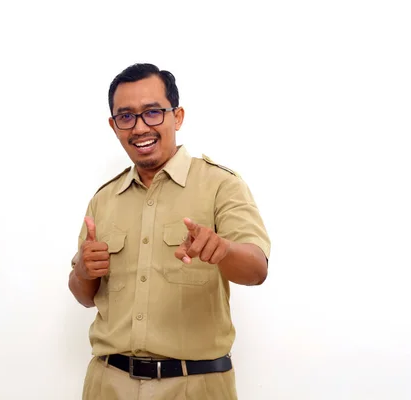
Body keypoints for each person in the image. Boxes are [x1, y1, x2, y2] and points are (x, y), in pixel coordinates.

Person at [68, 63, 271, 399]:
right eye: (126, 116)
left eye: (152, 113)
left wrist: (224, 250)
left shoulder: (221, 185)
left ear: (177, 117)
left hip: (196, 385)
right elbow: (83, 295)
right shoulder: (103, 200)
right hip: (108, 385)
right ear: (113, 125)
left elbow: (257, 270)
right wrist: (83, 271)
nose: (139, 127)